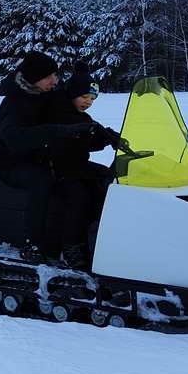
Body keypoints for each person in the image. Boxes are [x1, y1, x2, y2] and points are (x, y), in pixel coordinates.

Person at [0, 51, 97, 263]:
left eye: (56, 75)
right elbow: (14, 138)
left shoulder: (47, 95)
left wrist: (96, 132)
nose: (55, 80)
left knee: (88, 177)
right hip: (13, 163)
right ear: (33, 77)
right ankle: (34, 244)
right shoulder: (14, 102)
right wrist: (55, 131)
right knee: (42, 181)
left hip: (41, 156)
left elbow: (67, 115)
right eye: (49, 76)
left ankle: (86, 239)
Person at [48, 65, 120, 270]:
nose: (88, 102)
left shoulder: (79, 114)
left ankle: (100, 237)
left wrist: (108, 137)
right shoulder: (57, 112)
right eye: (85, 97)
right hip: (56, 167)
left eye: (92, 99)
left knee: (109, 180)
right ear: (72, 92)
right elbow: (66, 141)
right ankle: (70, 246)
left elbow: (88, 136)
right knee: (79, 195)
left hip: (75, 164)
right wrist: (89, 135)